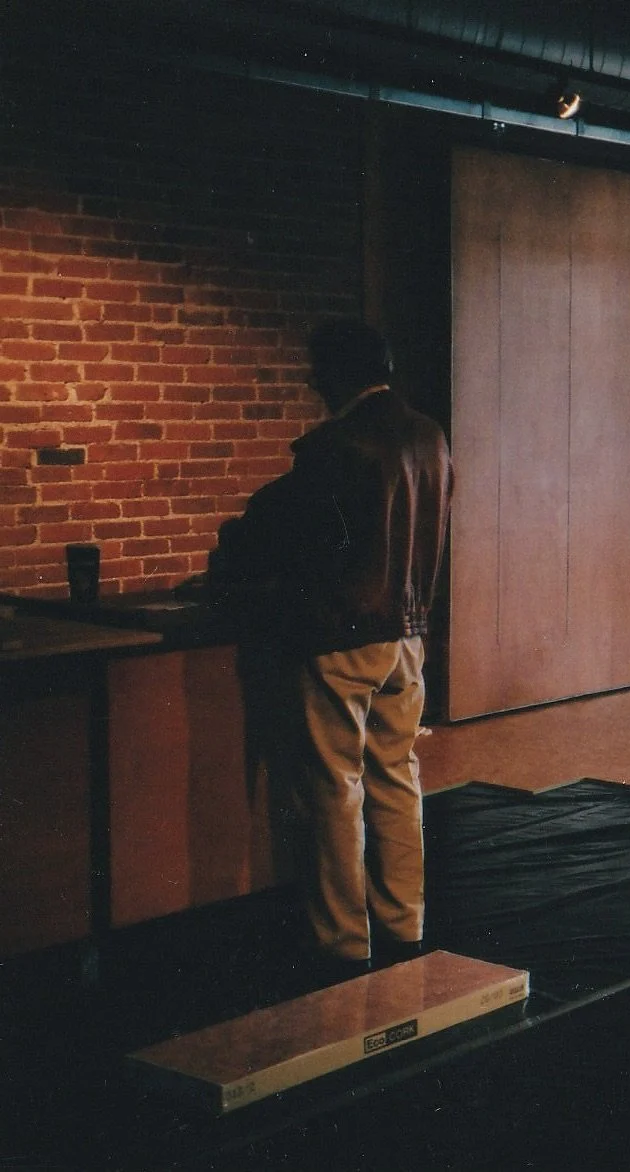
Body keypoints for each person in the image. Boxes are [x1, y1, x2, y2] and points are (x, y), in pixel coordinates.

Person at [213, 319, 452, 978]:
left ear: (339, 372)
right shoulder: (431, 437)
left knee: (335, 790)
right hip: (408, 637)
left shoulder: (334, 446)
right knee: (398, 779)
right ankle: (406, 924)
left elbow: (281, 537)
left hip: (340, 636)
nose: (311, 380)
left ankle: (343, 943)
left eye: (316, 368)